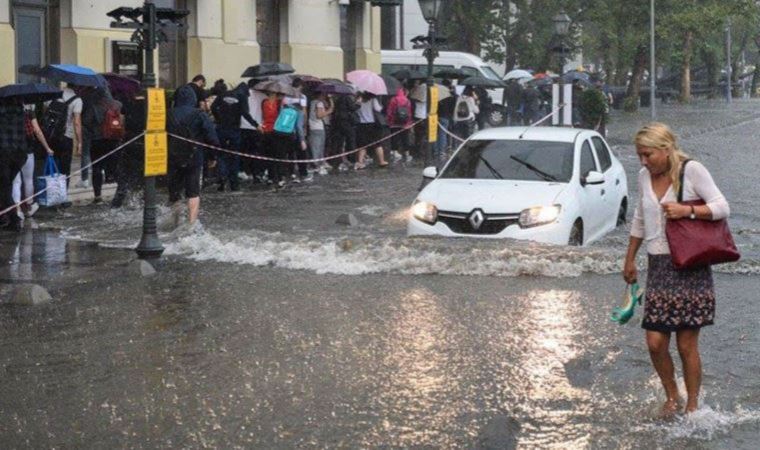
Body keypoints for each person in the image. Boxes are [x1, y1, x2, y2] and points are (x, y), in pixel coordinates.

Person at [623, 123, 730, 416]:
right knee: (655, 342)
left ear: (666, 149)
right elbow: (639, 217)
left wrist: (688, 210)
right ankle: (672, 397)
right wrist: (630, 257)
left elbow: (722, 207)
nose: (643, 161)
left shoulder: (692, 170)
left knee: (685, 344)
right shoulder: (644, 176)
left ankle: (692, 404)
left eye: (648, 155)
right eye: (639, 156)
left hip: (689, 265)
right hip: (657, 267)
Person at [167, 86, 220, 225]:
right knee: (193, 191)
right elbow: (212, 138)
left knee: (174, 191)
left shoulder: (167, 113)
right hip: (194, 156)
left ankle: (175, 222)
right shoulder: (199, 114)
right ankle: (191, 224)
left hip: (172, 156)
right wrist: (213, 157)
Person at [211, 82, 258, 191]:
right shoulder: (242, 97)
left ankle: (222, 177)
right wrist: (255, 125)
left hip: (221, 129)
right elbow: (245, 113)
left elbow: (213, 107)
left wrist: (218, 119)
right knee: (234, 156)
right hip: (234, 130)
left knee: (221, 154)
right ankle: (234, 183)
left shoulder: (223, 94)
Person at [13, 106, 52, 218]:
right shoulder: (29, 111)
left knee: (16, 181)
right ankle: (29, 206)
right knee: (28, 179)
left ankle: (17, 209)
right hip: (28, 149)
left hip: (12, 149)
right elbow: (38, 131)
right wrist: (47, 147)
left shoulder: (6, 111)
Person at [0, 98, 28, 231]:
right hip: (21, 154)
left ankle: (14, 218)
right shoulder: (22, 112)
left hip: (4, 154)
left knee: (4, 188)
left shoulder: (2, 112)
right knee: (7, 186)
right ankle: (8, 217)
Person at [47, 83, 82, 186]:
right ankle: (62, 195)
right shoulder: (77, 100)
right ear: (77, 86)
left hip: (51, 136)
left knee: (53, 165)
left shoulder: (54, 95)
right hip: (66, 137)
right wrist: (79, 142)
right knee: (65, 167)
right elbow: (76, 122)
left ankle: (51, 191)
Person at [241, 78, 267, 182]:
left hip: (243, 125)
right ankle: (256, 173)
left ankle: (245, 171)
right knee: (256, 151)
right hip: (257, 127)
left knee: (244, 151)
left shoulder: (243, 95)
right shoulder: (262, 96)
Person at [356, 92, 388, 169]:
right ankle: (381, 161)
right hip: (372, 124)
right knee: (377, 143)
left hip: (361, 124)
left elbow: (356, 109)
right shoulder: (373, 99)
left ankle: (360, 162)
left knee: (362, 145)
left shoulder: (358, 100)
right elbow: (378, 109)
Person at [308, 92, 334, 175]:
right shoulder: (319, 103)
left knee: (315, 146)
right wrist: (328, 111)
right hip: (318, 126)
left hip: (312, 126)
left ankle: (318, 164)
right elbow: (319, 115)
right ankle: (318, 165)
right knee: (319, 146)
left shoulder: (312, 102)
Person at [386, 87, 413, 164]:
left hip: (394, 123)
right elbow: (409, 113)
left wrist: (389, 120)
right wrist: (409, 122)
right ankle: (407, 154)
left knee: (394, 138)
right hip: (405, 123)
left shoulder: (393, 99)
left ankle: (395, 153)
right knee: (405, 138)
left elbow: (389, 111)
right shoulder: (407, 101)